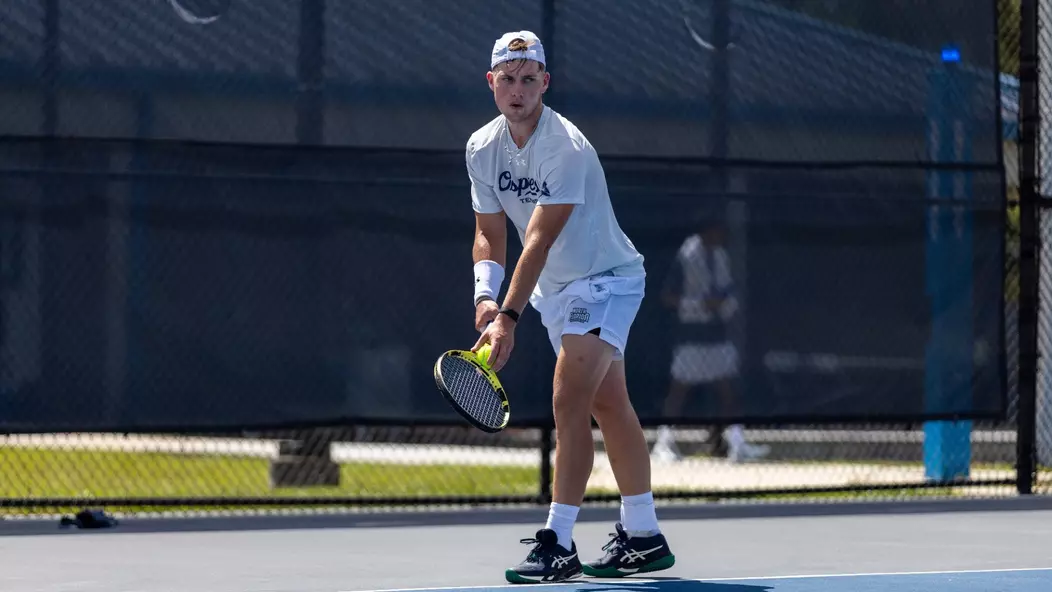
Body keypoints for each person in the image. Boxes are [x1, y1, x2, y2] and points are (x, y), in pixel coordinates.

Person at [465, 31, 676, 583]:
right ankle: (645, 535)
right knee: (609, 404)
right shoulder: (481, 148)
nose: (517, 90)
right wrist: (486, 297)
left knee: (569, 397)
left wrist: (507, 319)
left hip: (607, 280)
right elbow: (490, 232)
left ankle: (557, 542)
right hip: (556, 293)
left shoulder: (566, 147)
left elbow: (537, 239)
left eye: (528, 79)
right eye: (507, 80)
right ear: (492, 83)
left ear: (545, 83)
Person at [651, 216, 770, 463]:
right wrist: (700, 305)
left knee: (729, 389)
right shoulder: (686, 255)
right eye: (718, 231)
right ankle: (663, 445)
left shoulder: (720, 256)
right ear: (707, 230)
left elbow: (728, 290)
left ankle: (737, 444)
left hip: (717, 335)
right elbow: (668, 297)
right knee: (678, 391)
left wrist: (724, 305)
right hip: (691, 336)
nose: (722, 236)